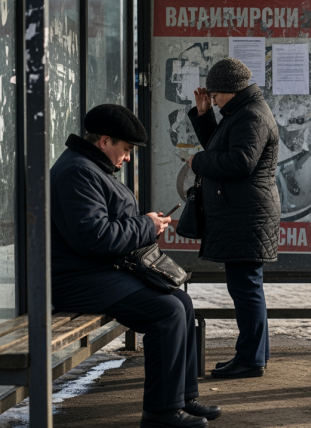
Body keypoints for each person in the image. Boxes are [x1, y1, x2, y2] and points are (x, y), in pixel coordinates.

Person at [50, 104, 220, 428]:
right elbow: (94, 237)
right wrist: (145, 225)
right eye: (125, 149)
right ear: (104, 141)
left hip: (100, 273)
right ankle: (161, 412)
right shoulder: (78, 172)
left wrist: (145, 224)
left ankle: (182, 398)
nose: (127, 158)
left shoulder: (89, 167)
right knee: (166, 312)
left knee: (181, 303)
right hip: (80, 280)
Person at [188, 58, 281, 379]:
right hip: (243, 212)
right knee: (247, 286)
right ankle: (256, 355)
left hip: (246, 214)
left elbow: (239, 162)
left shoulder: (251, 116)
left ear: (230, 89)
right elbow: (222, 147)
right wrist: (204, 116)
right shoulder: (242, 113)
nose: (212, 100)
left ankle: (250, 360)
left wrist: (197, 161)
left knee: (245, 288)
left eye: (214, 95)